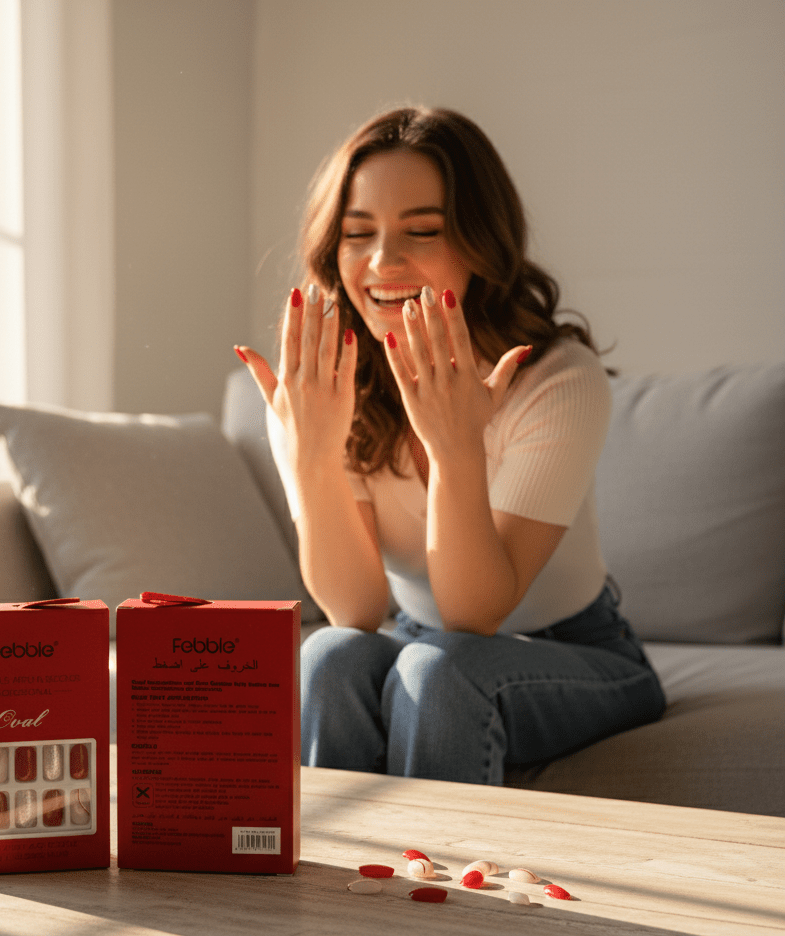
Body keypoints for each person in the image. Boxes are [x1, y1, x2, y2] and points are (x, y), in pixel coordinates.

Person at [233, 107, 665, 784]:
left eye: (423, 231)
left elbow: (473, 612)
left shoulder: (558, 379)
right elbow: (355, 609)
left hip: (575, 650)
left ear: (479, 242)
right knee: (329, 656)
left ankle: (438, 891)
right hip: (418, 643)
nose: (383, 261)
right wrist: (313, 451)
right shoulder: (320, 390)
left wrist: (456, 445)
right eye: (356, 234)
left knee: (443, 673)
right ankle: (327, 885)